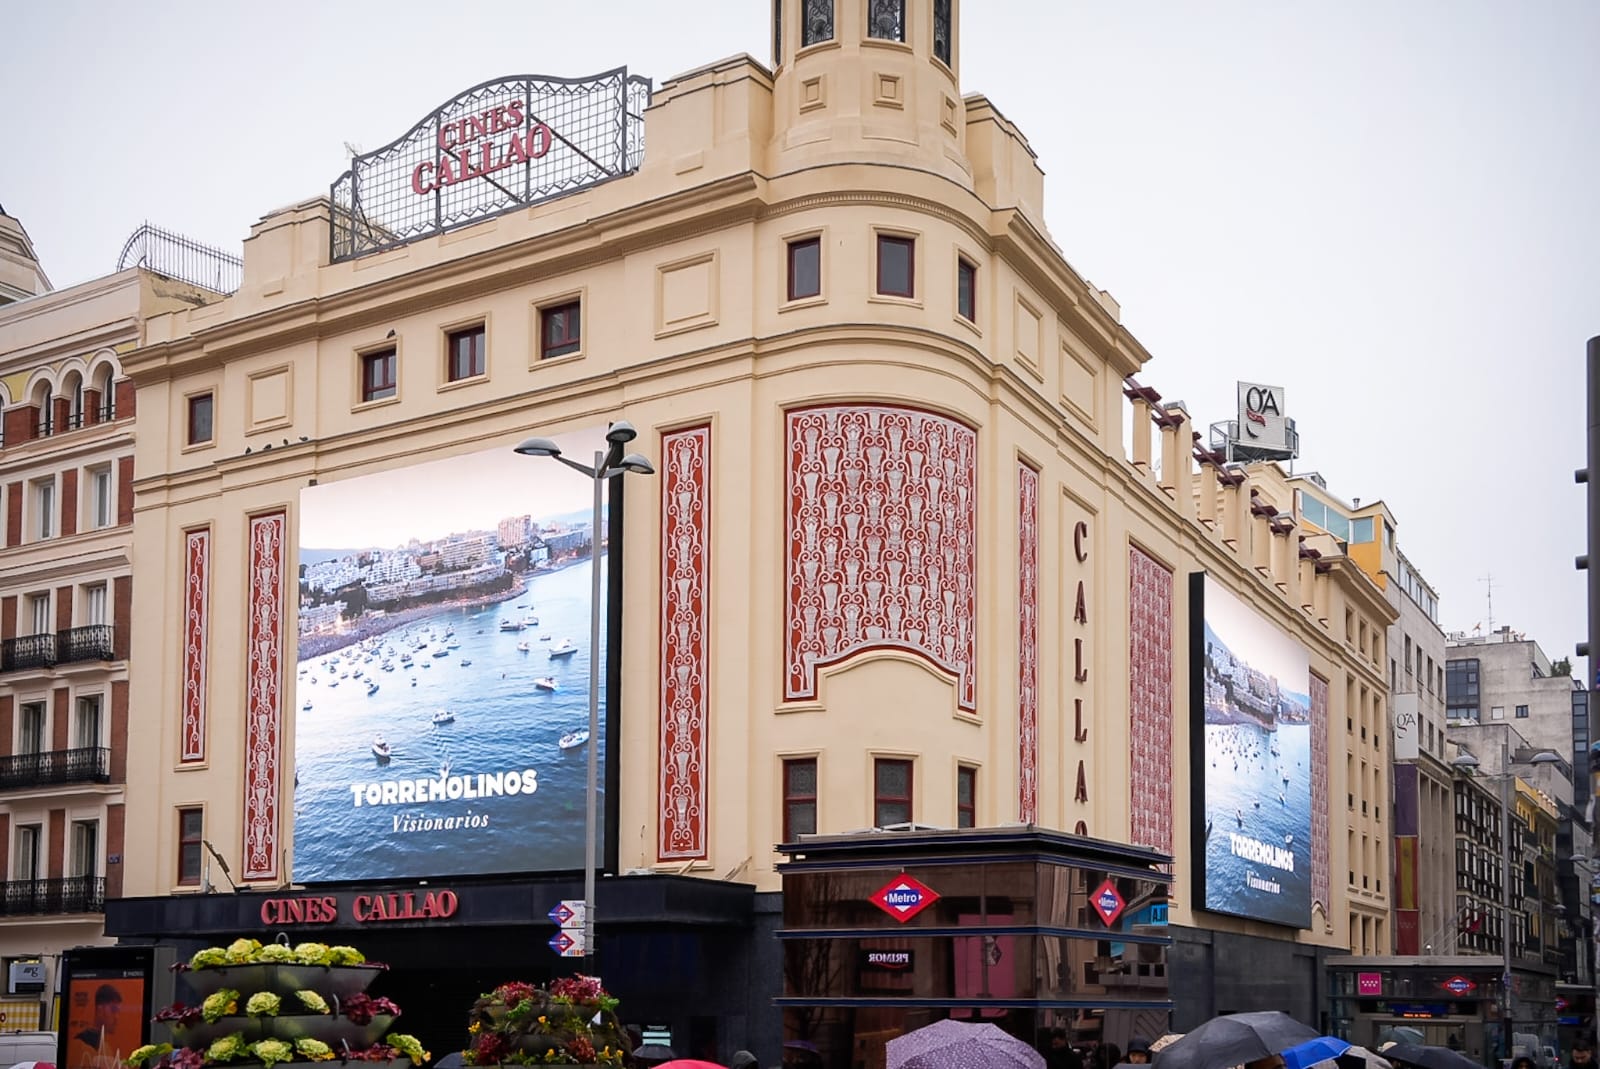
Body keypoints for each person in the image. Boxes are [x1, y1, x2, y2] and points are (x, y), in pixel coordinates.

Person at [73, 984, 123, 1067]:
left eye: (118, 1012)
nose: (117, 1017)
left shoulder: (107, 1049)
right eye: (113, 1010)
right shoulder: (78, 1047)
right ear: (100, 1009)